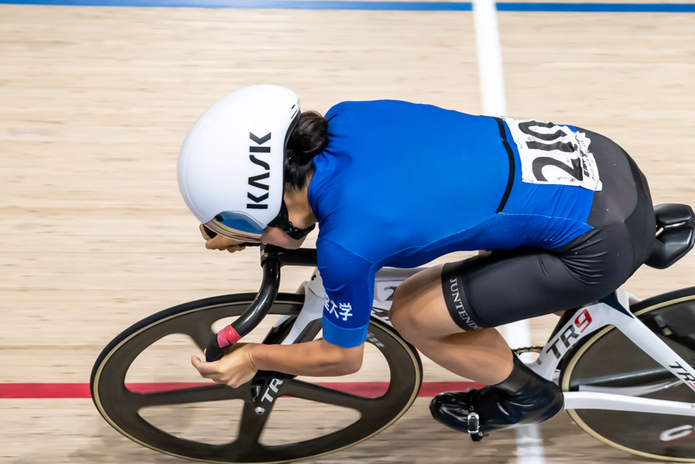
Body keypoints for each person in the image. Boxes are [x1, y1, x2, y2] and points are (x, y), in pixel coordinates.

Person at [177, 85, 655, 438]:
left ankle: (528, 396)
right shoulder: (348, 117)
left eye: (243, 222)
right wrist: (251, 225)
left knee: (412, 314)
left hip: (597, 244)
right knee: (475, 232)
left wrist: (256, 355)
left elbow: (342, 358)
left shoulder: (347, 245)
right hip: (604, 162)